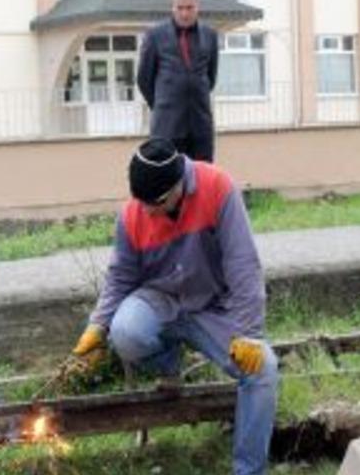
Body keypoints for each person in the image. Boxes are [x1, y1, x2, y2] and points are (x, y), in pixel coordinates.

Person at [71, 138, 278, 474]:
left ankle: (249, 470)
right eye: (141, 203)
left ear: (179, 183)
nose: (147, 211)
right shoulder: (133, 215)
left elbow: (243, 264)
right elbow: (120, 277)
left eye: (155, 203)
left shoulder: (218, 188)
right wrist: (98, 325)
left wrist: (249, 333)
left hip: (214, 305)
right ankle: (170, 364)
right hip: (160, 301)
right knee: (126, 334)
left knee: (263, 369)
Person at [138, 0, 219, 162]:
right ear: (172, 8)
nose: (184, 14)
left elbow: (210, 77)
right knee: (167, 181)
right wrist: (164, 104)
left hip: (200, 127)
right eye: (180, 8)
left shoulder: (210, 35)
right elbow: (144, 79)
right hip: (167, 128)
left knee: (202, 180)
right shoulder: (155, 35)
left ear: (198, 7)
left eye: (189, 8)